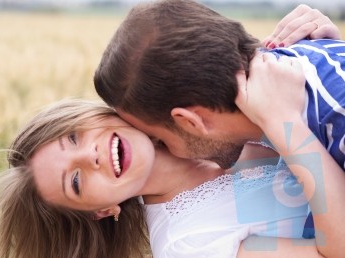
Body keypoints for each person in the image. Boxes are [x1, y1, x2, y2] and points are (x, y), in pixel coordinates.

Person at [0, 97, 345, 258]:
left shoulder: (198, 106)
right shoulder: (185, 245)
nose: (88, 156)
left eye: (73, 137)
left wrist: (324, 51)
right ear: (102, 211)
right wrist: (284, 118)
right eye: (75, 182)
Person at [94, 0, 344, 172]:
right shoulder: (310, 57)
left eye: (159, 139)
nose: (162, 151)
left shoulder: (337, 118)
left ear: (191, 121)